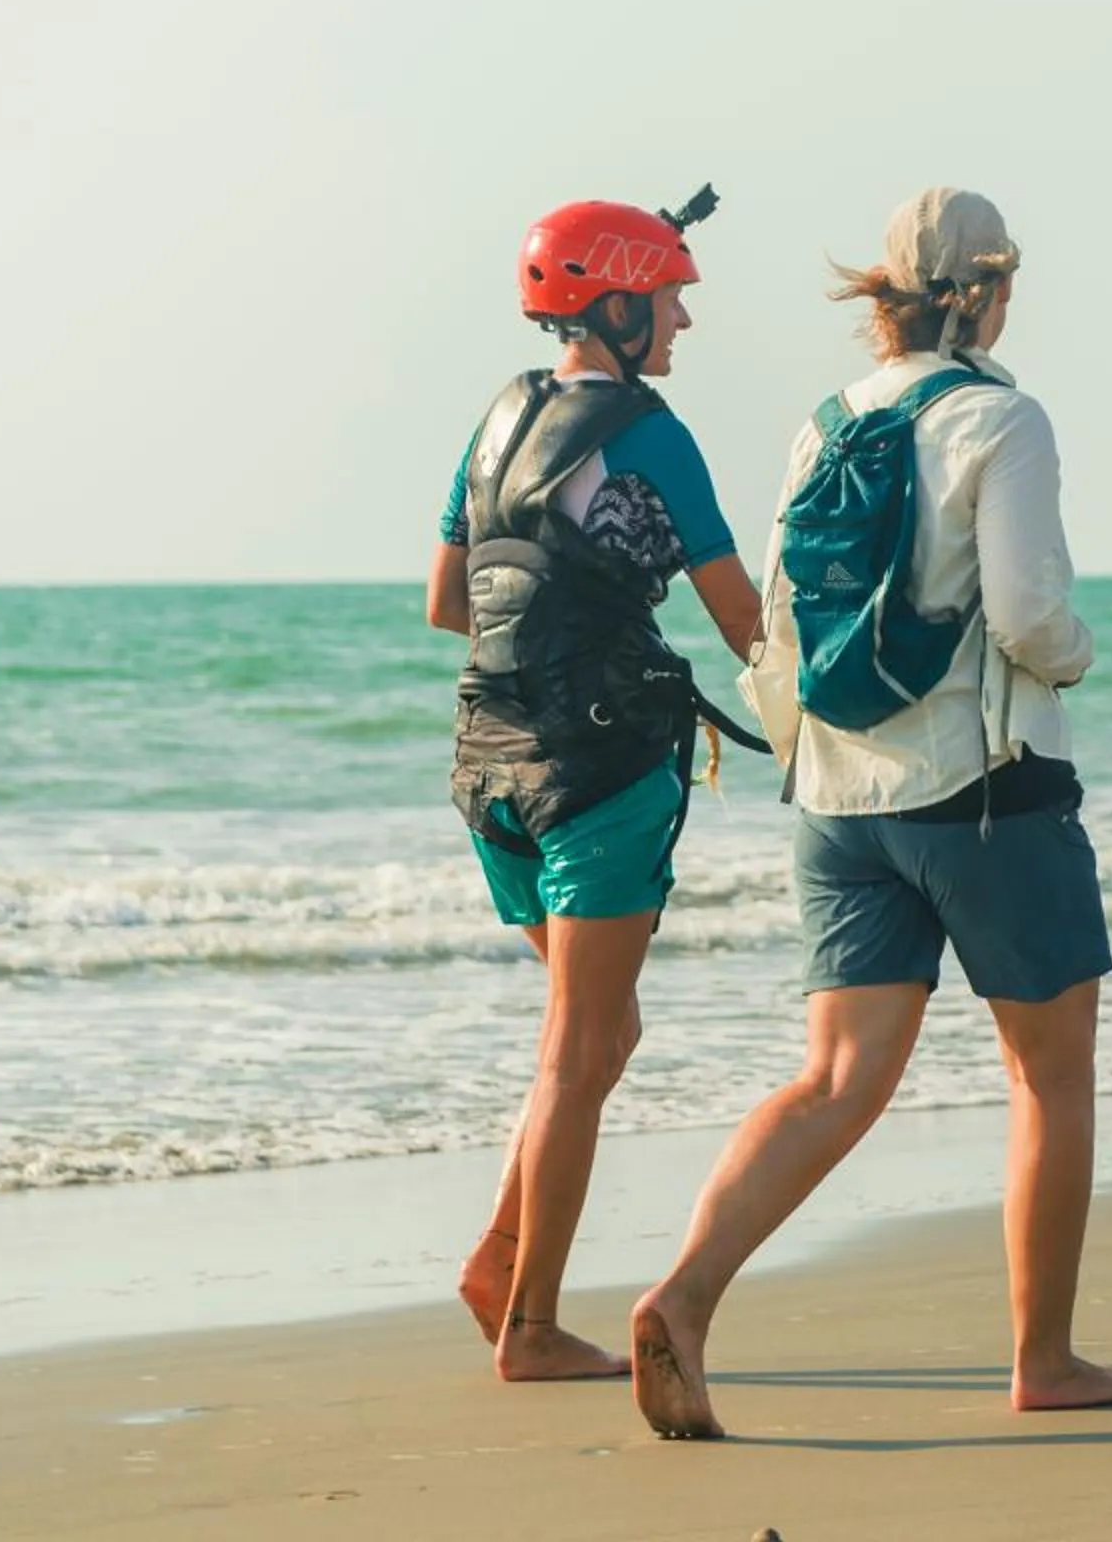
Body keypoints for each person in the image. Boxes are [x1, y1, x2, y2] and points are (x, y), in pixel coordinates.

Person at [628, 186, 1112, 1438]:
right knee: (1051, 1077)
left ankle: (688, 1292)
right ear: (986, 289)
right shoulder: (1001, 418)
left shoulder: (824, 426)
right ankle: (1046, 1357)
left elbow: (776, 619)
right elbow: (1030, 616)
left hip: (836, 799)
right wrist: (1078, 656)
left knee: (835, 1077)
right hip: (985, 792)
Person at [427, 196, 763, 1382]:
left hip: (487, 773)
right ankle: (528, 1325)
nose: (680, 319)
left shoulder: (494, 419)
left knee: (602, 1028)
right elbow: (740, 618)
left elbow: (447, 602)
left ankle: (498, 1258)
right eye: (668, 297)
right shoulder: (652, 432)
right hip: (599, 776)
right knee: (578, 1050)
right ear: (615, 302)